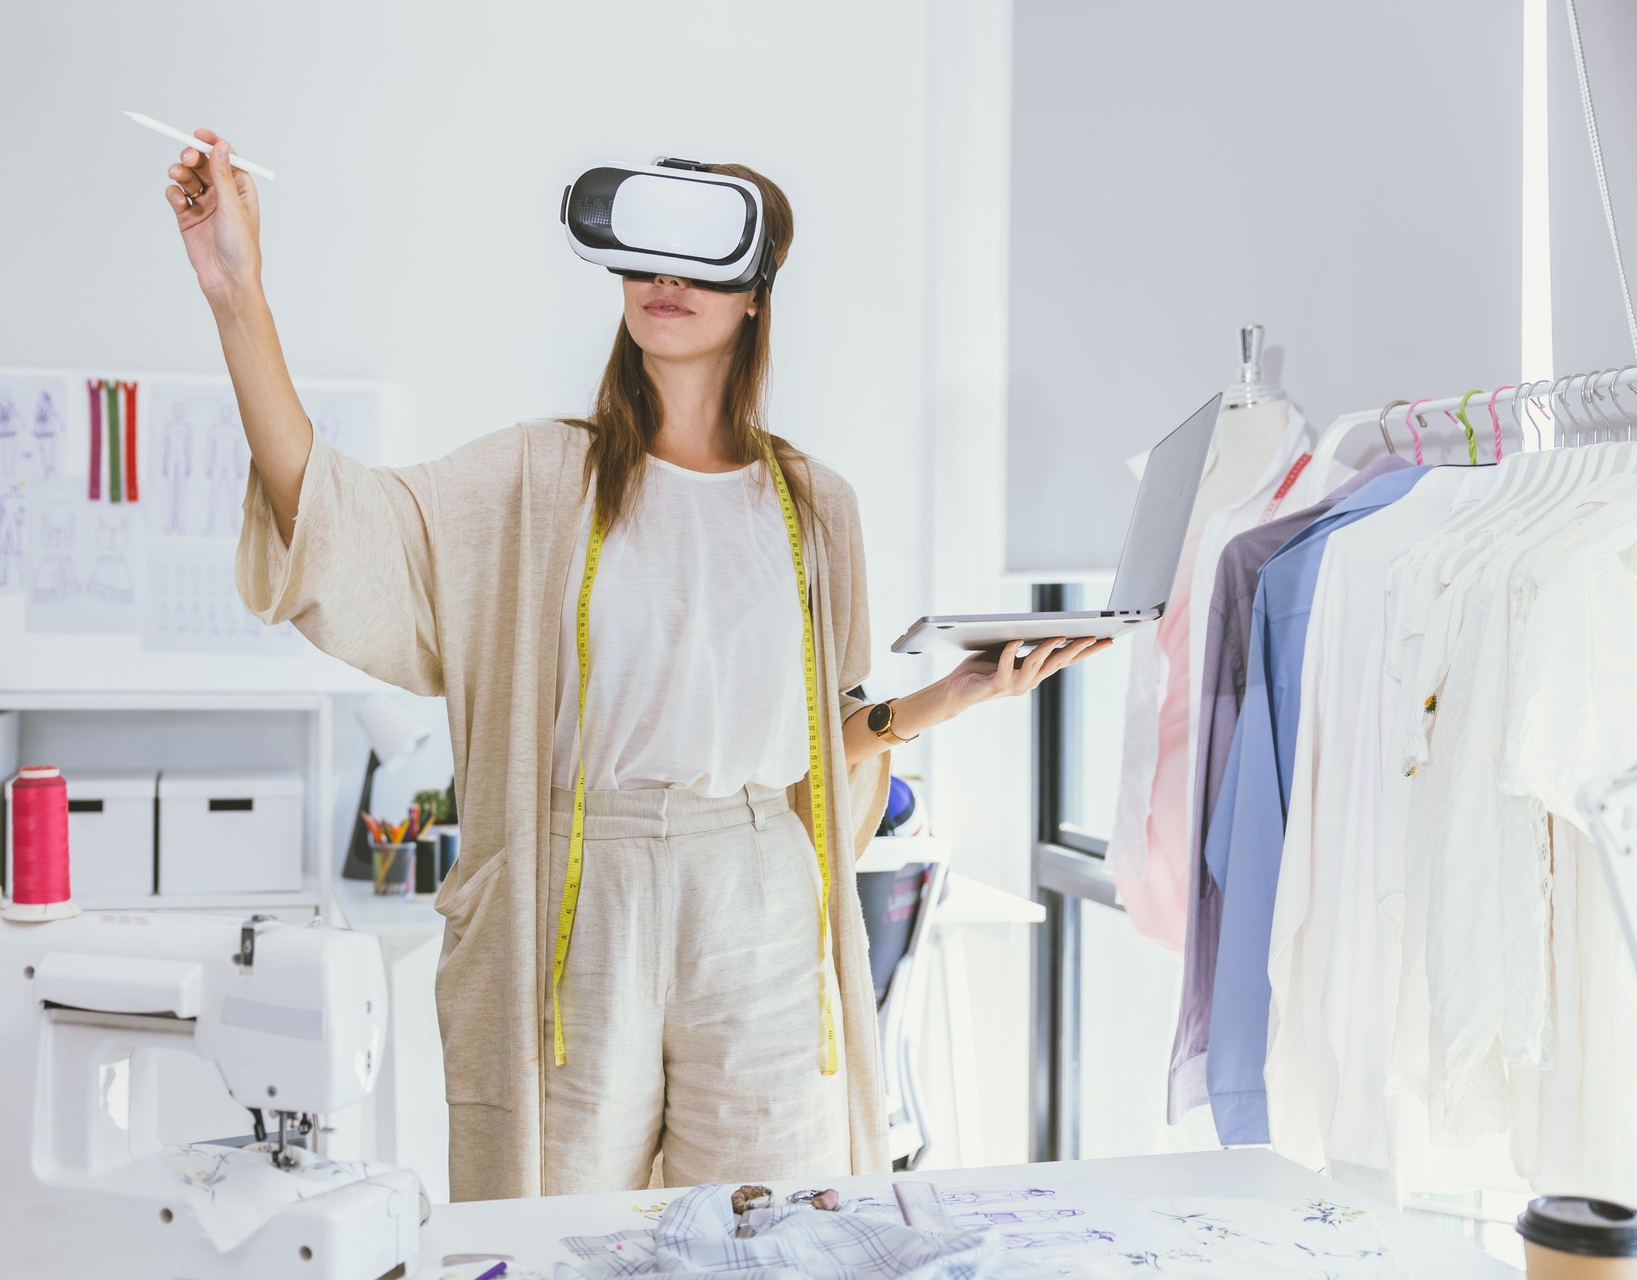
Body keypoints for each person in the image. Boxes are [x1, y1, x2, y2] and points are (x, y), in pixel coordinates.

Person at [160, 131, 1110, 1201]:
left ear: (753, 291)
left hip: (756, 892)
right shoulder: (534, 477)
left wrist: (941, 698)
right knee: (566, 1223)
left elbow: (808, 760)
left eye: (701, 255)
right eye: (646, 253)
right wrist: (236, 292)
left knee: (774, 1228)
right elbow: (333, 519)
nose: (667, 280)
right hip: (582, 888)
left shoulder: (815, 507)